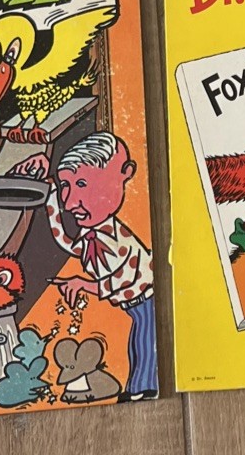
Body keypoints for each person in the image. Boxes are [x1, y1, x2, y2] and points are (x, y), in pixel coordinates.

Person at [23, 133, 157, 400]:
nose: (70, 202)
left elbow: (121, 279)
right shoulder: (93, 233)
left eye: (82, 184)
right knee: (138, 343)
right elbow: (69, 244)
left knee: (144, 344)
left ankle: (142, 389)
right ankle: (138, 388)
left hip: (147, 301)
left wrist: (83, 284)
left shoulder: (112, 237)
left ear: (125, 174)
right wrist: (50, 194)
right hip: (135, 304)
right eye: (66, 186)